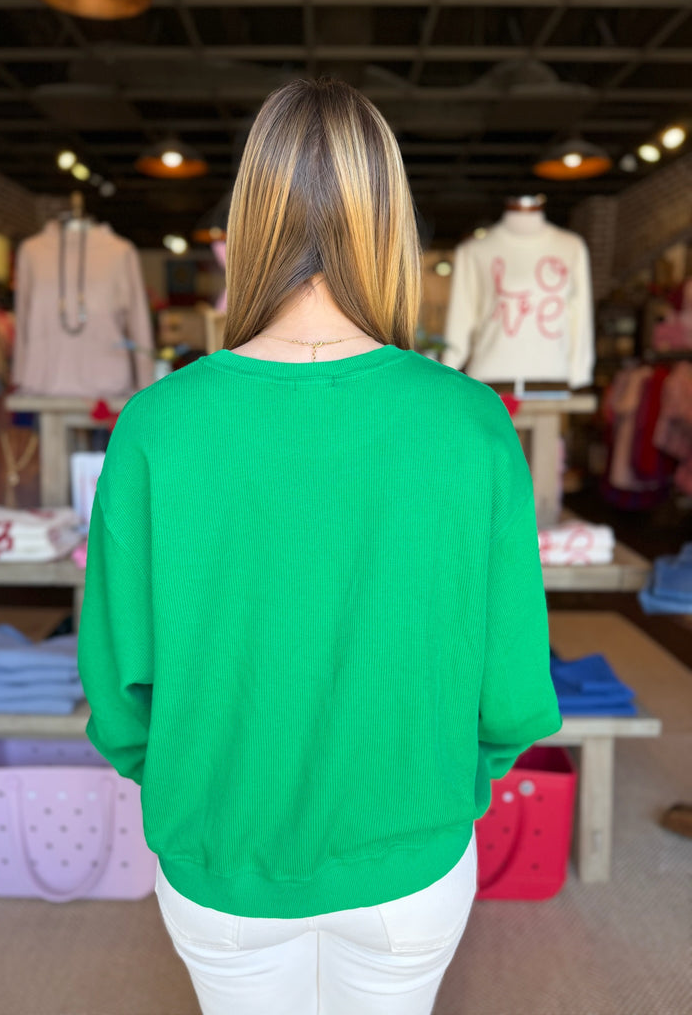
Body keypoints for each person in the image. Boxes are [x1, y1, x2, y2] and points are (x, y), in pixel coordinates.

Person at [77, 76, 563, 1015]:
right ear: (390, 228)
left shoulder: (156, 424)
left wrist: (192, 787)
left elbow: (118, 690)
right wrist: (440, 784)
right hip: (410, 855)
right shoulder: (471, 422)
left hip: (218, 857)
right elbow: (511, 692)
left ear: (246, 228)